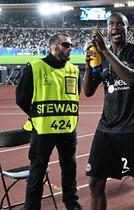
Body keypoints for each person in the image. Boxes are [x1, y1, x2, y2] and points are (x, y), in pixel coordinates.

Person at [83, 12, 134, 210]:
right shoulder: (101, 55)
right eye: (111, 24)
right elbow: (87, 91)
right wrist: (88, 66)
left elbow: (131, 78)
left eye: (120, 24)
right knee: (95, 182)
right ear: (107, 29)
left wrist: (105, 51)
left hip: (130, 129)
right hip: (106, 129)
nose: (115, 28)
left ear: (127, 28)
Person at [16, 33, 82, 210]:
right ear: (53, 47)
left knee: (70, 170)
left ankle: (72, 204)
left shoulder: (74, 70)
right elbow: (21, 98)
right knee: (37, 172)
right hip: (43, 131)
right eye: (66, 45)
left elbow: (76, 95)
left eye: (71, 45)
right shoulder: (35, 67)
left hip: (67, 130)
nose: (70, 48)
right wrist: (37, 116)